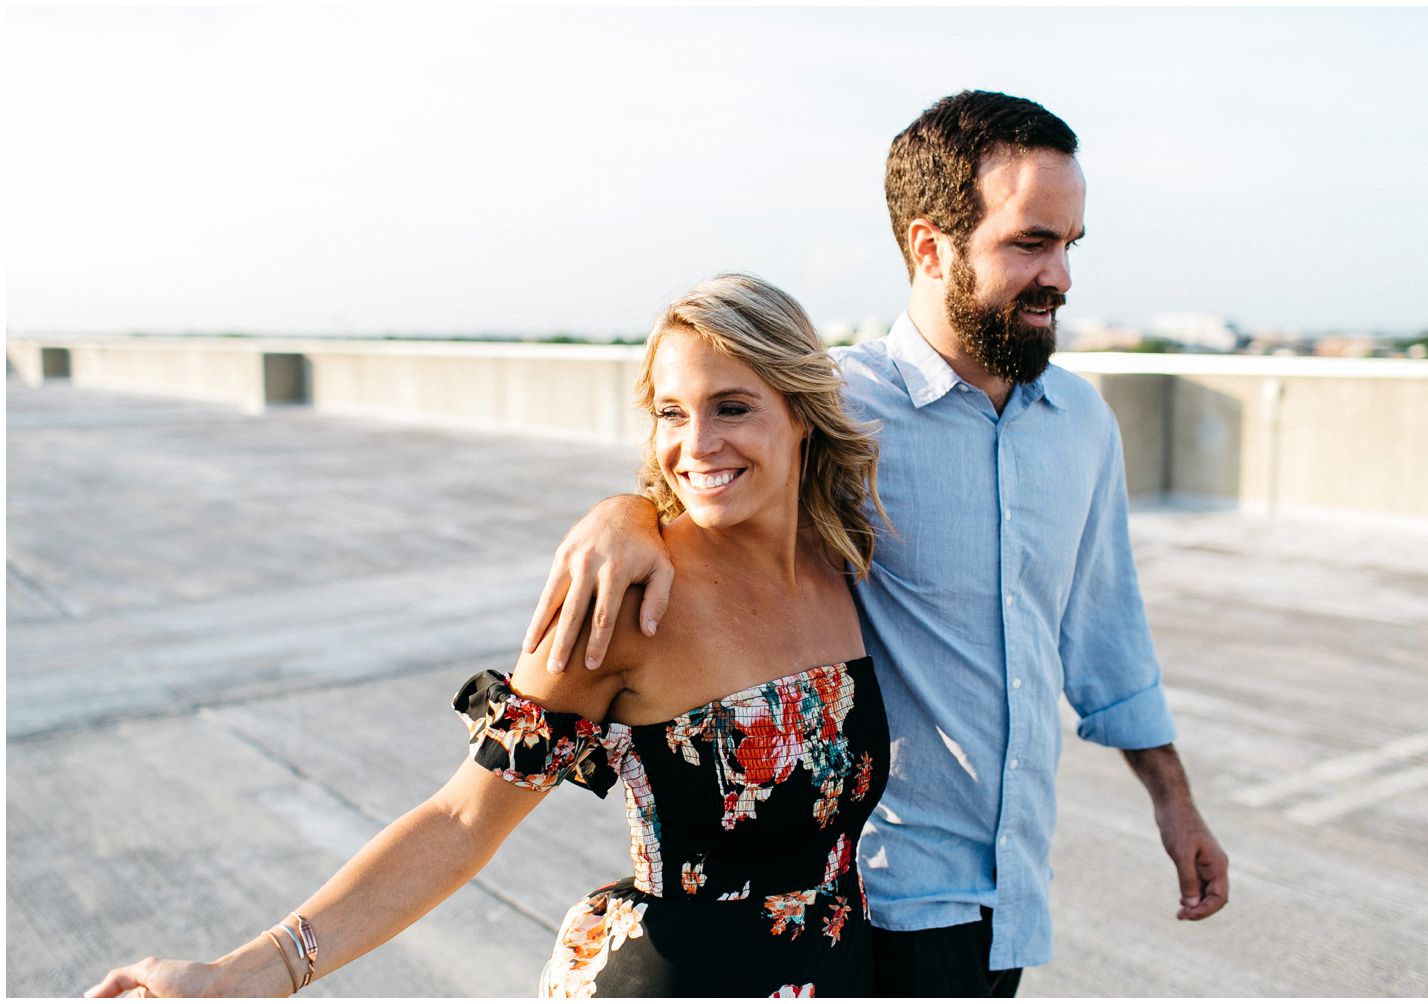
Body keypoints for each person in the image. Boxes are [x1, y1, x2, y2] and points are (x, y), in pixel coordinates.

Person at [524, 91, 1229, 998]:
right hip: (865, 905)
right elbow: (702, 478)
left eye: (1069, 244)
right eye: (1030, 243)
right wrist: (621, 512)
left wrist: (1175, 802)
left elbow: (1103, 630)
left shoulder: (1082, 425)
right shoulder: (836, 413)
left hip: (1007, 898)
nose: (1060, 275)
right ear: (931, 248)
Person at [85, 274, 892, 999]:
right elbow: (462, 820)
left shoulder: (841, 561)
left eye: (733, 407)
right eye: (671, 414)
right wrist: (239, 976)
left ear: (802, 412)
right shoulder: (625, 605)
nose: (697, 445)